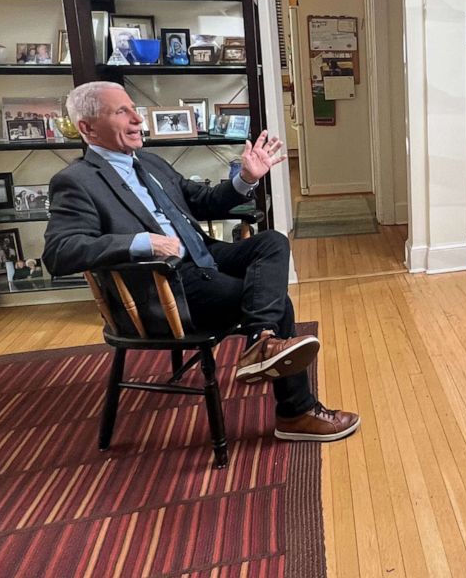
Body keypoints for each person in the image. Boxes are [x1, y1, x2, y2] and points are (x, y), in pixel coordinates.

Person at [43, 81, 359, 443]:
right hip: (166, 286)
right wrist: (141, 243)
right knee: (277, 302)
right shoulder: (76, 181)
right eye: (121, 112)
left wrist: (246, 178)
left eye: (134, 108)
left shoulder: (149, 162)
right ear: (87, 127)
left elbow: (205, 201)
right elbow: (60, 251)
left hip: (203, 258)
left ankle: (261, 340)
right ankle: (294, 410)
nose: (137, 119)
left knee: (271, 241)